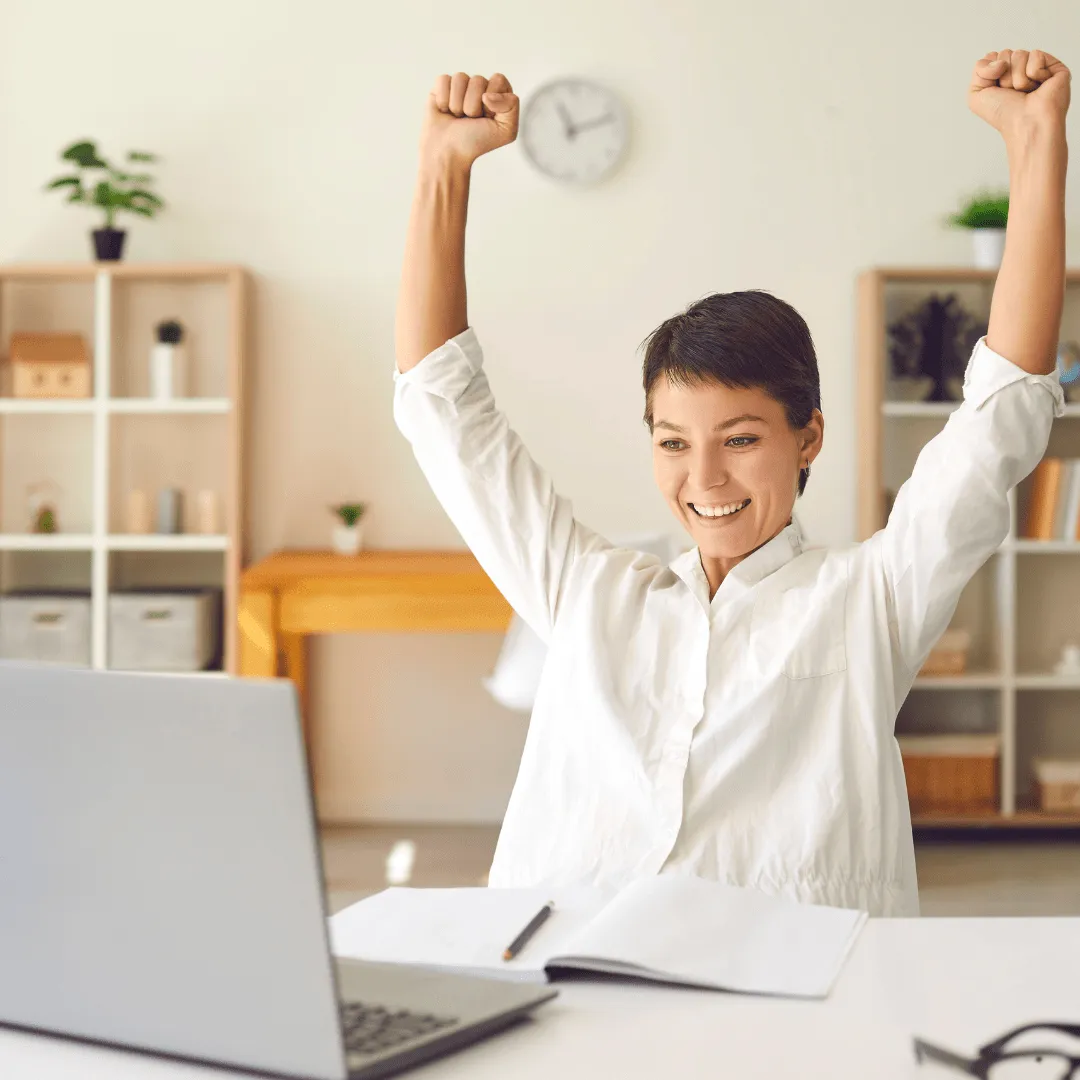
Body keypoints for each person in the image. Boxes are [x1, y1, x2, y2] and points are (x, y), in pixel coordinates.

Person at [393, 51, 1070, 916]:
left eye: (741, 439)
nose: (703, 476)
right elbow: (441, 410)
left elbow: (1004, 412)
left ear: (807, 437)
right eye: (673, 442)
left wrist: (1038, 141)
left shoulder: (871, 597)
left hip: (796, 1010)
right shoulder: (587, 592)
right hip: (565, 992)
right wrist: (443, 168)